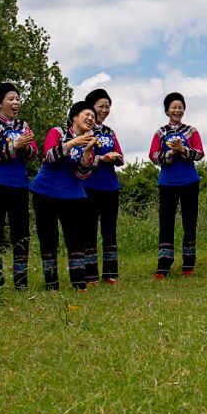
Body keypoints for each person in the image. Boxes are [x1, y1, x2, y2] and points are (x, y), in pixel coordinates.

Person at [29, 102, 97, 291]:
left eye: (93, 117)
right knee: (48, 237)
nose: (91, 118)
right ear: (75, 116)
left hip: (73, 193)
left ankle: (79, 283)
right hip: (45, 191)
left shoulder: (89, 142)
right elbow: (49, 156)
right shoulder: (57, 132)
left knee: (75, 238)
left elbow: (83, 174)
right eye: (87, 114)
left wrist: (87, 152)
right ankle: (51, 283)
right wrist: (73, 143)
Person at [0, 83, 38, 289]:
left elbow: (34, 153)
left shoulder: (23, 125)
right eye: (10, 99)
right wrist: (15, 146)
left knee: (21, 232)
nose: (16, 103)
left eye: (17, 99)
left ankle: (21, 281)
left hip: (20, 184)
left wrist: (27, 147)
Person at [149, 92, 205, 278]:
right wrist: (170, 154)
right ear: (167, 110)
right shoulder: (160, 132)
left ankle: (189, 263)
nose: (177, 110)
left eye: (180, 107)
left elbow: (199, 154)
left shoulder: (191, 131)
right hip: (167, 182)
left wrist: (183, 150)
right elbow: (153, 157)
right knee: (166, 222)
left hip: (190, 180)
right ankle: (164, 264)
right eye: (173, 107)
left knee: (190, 222)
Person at [83, 89, 125, 285]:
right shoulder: (84, 131)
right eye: (101, 106)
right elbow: (80, 155)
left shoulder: (110, 131)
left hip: (110, 185)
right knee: (89, 229)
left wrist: (116, 158)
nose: (105, 110)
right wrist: (101, 158)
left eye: (107, 106)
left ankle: (110, 273)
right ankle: (90, 274)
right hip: (89, 185)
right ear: (91, 107)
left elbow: (120, 156)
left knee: (109, 229)